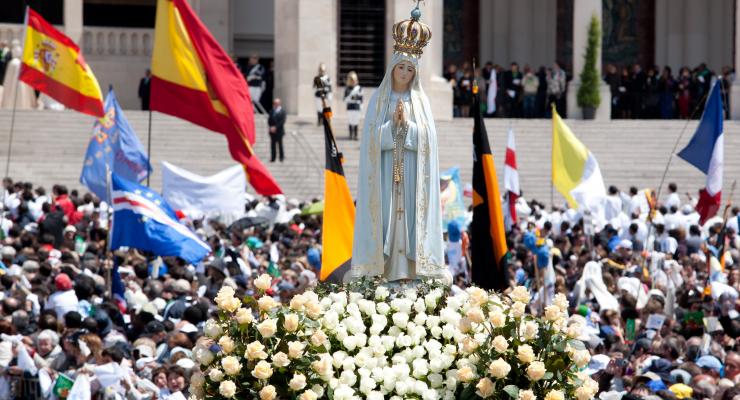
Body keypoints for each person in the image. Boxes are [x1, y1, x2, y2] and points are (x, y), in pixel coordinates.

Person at [351, 6, 445, 282]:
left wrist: (409, 127)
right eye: (400, 67)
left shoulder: (421, 102)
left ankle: (411, 270)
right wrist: (392, 126)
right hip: (385, 175)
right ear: (392, 67)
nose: (404, 73)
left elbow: (429, 141)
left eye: (409, 69)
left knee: (409, 220)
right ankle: (385, 269)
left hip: (413, 176)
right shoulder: (379, 101)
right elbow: (370, 141)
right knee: (388, 219)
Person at [343, 71, 363, 140]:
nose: (353, 82)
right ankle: (351, 135)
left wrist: (361, 105)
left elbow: (361, 98)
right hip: (350, 107)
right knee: (351, 121)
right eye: (351, 80)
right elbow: (345, 99)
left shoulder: (359, 88)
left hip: (356, 107)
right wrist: (350, 98)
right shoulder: (347, 89)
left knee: (356, 122)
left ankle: (356, 135)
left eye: (354, 80)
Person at [268, 98, 286, 162]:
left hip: (279, 131)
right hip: (272, 131)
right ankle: (273, 158)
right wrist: (271, 127)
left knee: (280, 145)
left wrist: (275, 127)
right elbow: (269, 120)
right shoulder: (272, 111)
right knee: (272, 145)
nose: (275, 104)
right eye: (274, 103)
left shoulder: (282, 111)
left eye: (277, 103)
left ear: (279, 103)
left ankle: (281, 157)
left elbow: (282, 121)